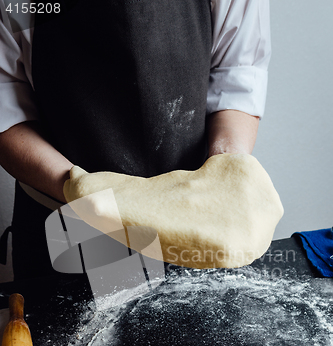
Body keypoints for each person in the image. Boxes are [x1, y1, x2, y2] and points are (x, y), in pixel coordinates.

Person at [0, 0, 271, 280]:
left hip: (195, 219)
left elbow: (238, 71)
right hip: (70, 222)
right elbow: (5, 98)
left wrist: (226, 171)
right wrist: (81, 190)